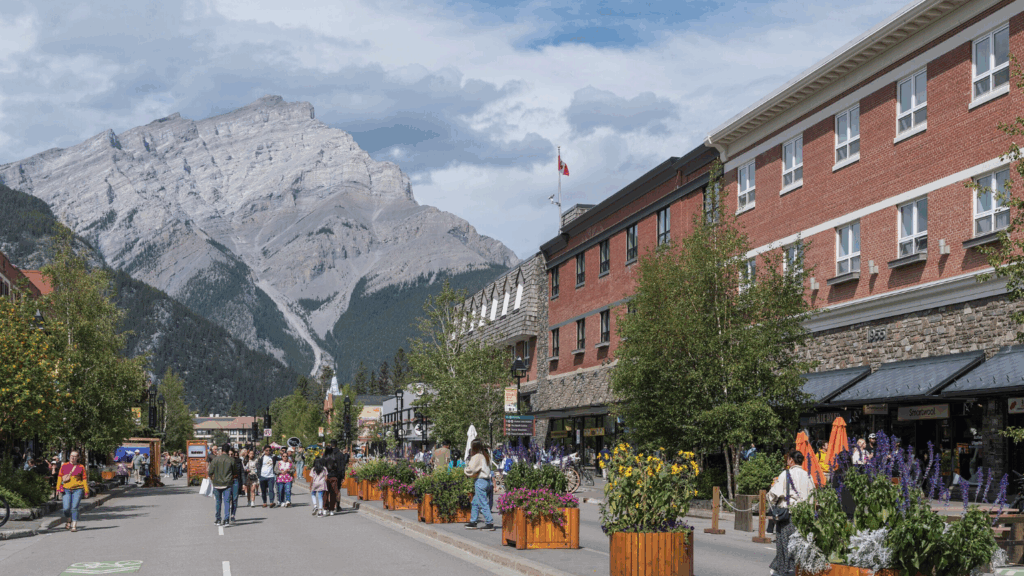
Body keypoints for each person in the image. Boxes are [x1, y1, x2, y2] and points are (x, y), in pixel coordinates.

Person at [768, 449, 816, 576]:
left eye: (788, 459)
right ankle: (797, 570)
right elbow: (813, 497)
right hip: (804, 515)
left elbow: (773, 494)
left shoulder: (786, 474)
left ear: (791, 460)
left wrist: (773, 486)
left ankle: (784, 571)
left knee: (784, 546)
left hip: (788, 515)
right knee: (800, 545)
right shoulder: (808, 476)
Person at [463, 439, 494, 531]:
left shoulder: (477, 456)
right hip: (487, 481)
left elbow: (471, 469)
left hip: (480, 481)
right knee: (475, 502)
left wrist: (465, 470)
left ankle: (489, 522)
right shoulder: (485, 455)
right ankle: (473, 521)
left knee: (482, 503)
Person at [56, 451, 89, 532]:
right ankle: (68, 519)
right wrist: (57, 488)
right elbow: (60, 477)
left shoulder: (81, 467)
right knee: (66, 508)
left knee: (74, 507)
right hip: (66, 489)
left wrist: (86, 490)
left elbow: (84, 479)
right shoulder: (64, 465)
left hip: (78, 489)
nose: (72, 457)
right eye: (71, 456)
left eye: (75, 456)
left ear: (78, 458)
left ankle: (74, 525)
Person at [208, 443, 237, 527]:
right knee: (227, 502)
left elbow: (210, 472)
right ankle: (226, 520)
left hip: (216, 483)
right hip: (227, 483)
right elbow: (235, 472)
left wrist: (213, 478)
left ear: (221, 450)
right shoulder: (231, 460)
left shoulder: (215, 459)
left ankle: (218, 519)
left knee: (218, 502)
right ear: (228, 450)